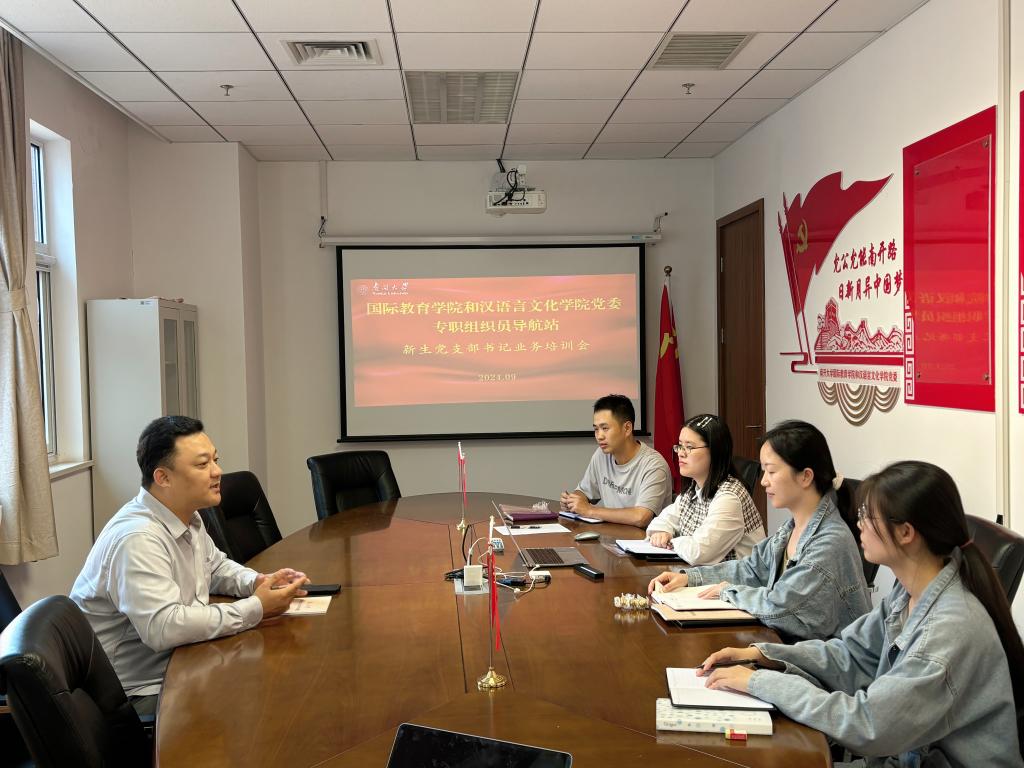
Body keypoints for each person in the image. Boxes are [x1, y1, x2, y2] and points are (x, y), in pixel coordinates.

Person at [698, 461, 1024, 768]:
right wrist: (766, 656)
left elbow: (868, 724)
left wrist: (761, 682)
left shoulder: (947, 630)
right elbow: (851, 655)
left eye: (868, 516)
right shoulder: (909, 593)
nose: (859, 524)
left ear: (906, 533)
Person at [70, 416, 309, 715]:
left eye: (215, 460)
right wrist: (256, 608)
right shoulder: (138, 538)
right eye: (202, 464)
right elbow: (165, 628)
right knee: (267, 695)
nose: (217, 472)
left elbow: (215, 567)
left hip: (181, 662)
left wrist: (257, 581)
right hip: (135, 694)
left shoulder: (187, 515)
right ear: (163, 478)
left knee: (282, 675)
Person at [648, 420, 869, 641]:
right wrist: (690, 578)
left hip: (818, 658)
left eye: (771, 471)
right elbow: (753, 569)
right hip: (788, 646)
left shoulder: (830, 542)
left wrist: (728, 591)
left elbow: (783, 608)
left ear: (806, 476)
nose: (763, 482)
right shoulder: (792, 528)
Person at [645, 414, 766, 564]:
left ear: (715, 451)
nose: (681, 453)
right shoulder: (693, 489)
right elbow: (663, 520)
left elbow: (699, 553)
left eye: (689, 447)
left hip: (736, 578)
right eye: (680, 446)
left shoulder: (729, 498)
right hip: (704, 574)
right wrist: (661, 532)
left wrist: (671, 541)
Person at [560, 394, 672, 528]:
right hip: (611, 535)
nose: (599, 436)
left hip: (645, 539)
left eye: (605, 428)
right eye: (596, 429)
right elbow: (584, 492)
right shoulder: (601, 455)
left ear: (627, 428)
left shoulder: (654, 465)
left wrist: (589, 510)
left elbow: (641, 517)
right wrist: (573, 501)